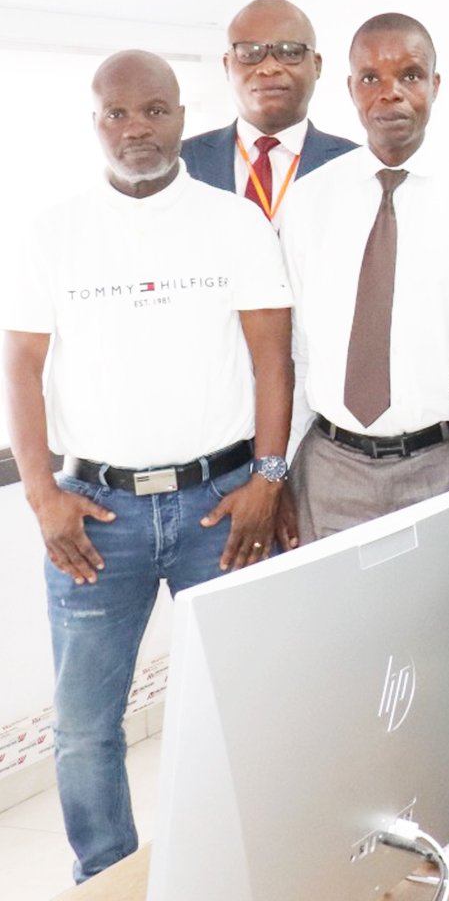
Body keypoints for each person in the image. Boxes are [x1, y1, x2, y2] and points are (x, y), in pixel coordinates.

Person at [0, 50, 293, 882]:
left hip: (220, 506)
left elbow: (273, 362)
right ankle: (107, 880)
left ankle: (239, 873)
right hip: (98, 515)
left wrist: (269, 479)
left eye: (155, 111)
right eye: (117, 113)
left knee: (241, 708)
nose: (136, 128)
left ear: (181, 118)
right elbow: (20, 367)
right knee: (84, 725)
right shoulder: (51, 231)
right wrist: (41, 496)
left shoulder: (235, 223)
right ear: (94, 122)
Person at [277, 13, 449, 544]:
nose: (390, 93)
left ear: (435, 84)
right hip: (332, 470)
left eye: (409, 75)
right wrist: (282, 472)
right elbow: (298, 349)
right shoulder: (308, 201)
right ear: (350, 88)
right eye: (371, 78)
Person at [181, 0, 358, 223]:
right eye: (250, 53)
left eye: (289, 52)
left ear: (316, 65)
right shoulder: (181, 162)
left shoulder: (357, 165)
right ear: (227, 66)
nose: (269, 68)